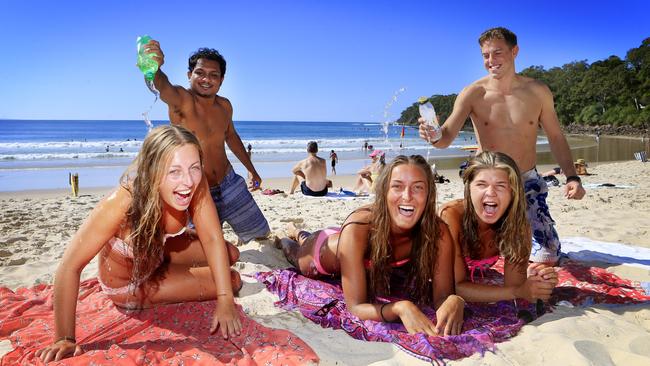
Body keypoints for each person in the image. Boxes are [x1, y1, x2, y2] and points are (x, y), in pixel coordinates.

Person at [35, 125, 242, 363]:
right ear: (153, 171)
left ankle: (184, 274)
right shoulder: (122, 203)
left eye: (194, 167)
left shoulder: (195, 181)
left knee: (231, 252)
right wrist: (65, 338)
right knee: (232, 279)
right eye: (174, 171)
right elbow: (69, 266)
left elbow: (212, 237)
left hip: (159, 254)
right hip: (131, 281)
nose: (188, 181)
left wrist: (226, 300)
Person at [418, 27, 586, 264]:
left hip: (526, 181)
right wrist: (432, 135)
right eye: (485, 56)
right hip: (487, 182)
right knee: (468, 254)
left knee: (547, 257)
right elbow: (444, 138)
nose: (491, 61)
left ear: (514, 51)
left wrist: (572, 177)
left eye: (497, 53)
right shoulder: (472, 93)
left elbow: (556, 137)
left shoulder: (537, 92)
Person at [277, 155, 464, 336]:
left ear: (429, 194)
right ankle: (287, 235)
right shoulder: (359, 227)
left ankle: (298, 232)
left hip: (349, 243)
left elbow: (443, 297)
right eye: (397, 187)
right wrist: (398, 308)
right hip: (321, 252)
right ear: (384, 192)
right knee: (295, 250)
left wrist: (454, 300)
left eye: (417, 188)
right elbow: (356, 306)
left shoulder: (437, 231)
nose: (407, 196)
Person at [141, 40, 269, 244]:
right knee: (200, 248)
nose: (206, 79)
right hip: (197, 190)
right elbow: (162, 86)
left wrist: (252, 170)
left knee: (261, 236)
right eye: (200, 72)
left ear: (222, 79)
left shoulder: (225, 106)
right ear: (189, 75)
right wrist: (155, 68)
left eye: (213, 74)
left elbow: (231, 137)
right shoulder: (182, 100)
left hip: (229, 183)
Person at [440, 151, 558, 304]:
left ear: (513, 191)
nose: (490, 193)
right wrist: (519, 291)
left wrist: (535, 283)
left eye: (501, 185)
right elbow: (454, 288)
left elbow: (514, 285)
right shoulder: (450, 217)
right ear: (469, 188)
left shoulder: (517, 224)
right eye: (481, 184)